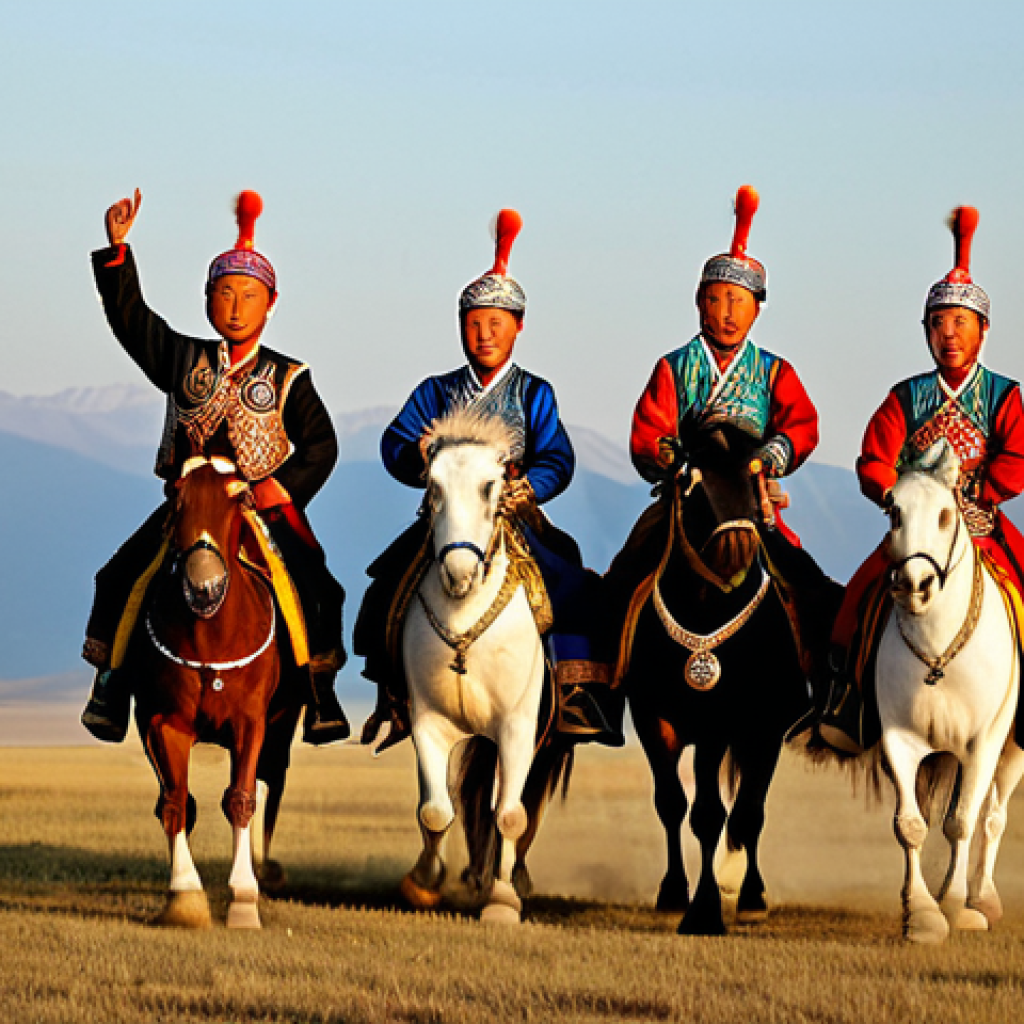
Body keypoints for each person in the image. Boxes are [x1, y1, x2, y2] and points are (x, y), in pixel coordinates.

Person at [80, 189, 349, 746]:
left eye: (248, 295)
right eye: (224, 292)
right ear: (207, 299)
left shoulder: (289, 375)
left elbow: (321, 445)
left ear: (270, 303)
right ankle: (109, 686)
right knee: (118, 577)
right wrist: (117, 251)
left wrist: (281, 489)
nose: (234, 305)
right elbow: (133, 322)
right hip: (187, 510)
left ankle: (321, 693)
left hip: (258, 512)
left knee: (318, 586)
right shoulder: (181, 358)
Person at [354, 210, 624, 752]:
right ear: (460, 328)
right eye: (473, 323)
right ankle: (394, 695)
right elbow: (394, 442)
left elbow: (558, 457)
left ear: (518, 327)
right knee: (384, 585)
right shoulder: (435, 390)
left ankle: (576, 696)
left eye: (495, 323)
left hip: (515, 517)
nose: (483, 334)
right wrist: (420, 455)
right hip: (447, 517)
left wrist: (532, 487)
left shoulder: (533, 392)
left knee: (573, 585)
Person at [609, 185, 841, 691]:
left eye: (739, 301)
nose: (728, 312)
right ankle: (600, 685)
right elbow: (649, 432)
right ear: (699, 303)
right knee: (623, 576)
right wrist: (673, 461)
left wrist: (772, 455)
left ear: (757, 309)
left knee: (807, 583)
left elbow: (801, 424)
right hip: (684, 498)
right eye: (717, 300)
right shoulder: (673, 367)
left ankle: (816, 687)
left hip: (753, 500)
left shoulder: (774, 370)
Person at [818, 206, 1024, 754]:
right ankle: (846, 700)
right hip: (917, 531)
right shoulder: (905, 397)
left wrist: (983, 487)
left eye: (961, 322)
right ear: (926, 332)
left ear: (983, 330)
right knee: (859, 595)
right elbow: (874, 458)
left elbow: (1018, 457)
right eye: (938, 323)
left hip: (981, 525)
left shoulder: (1003, 394)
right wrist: (891, 491)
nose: (949, 334)